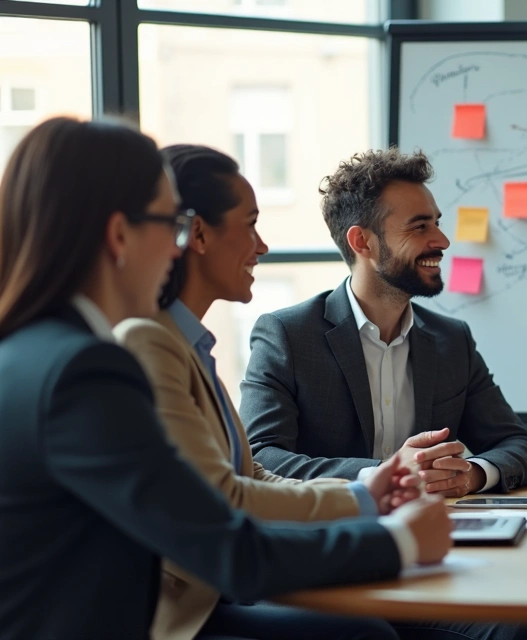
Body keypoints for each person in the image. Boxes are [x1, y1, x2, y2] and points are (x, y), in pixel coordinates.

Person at [0, 117, 451, 640]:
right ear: (120, 234)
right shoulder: (85, 372)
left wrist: (367, 501)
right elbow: (227, 548)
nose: (176, 250)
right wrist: (399, 543)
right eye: (169, 226)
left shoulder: (30, 352)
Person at [114, 145, 431, 640]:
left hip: (219, 594)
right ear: (198, 233)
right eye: (250, 224)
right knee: (365, 635)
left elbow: (251, 472)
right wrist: (370, 512)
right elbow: (227, 496)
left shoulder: (188, 344)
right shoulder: (151, 341)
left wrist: (363, 492)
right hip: (181, 617)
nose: (261, 246)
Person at [240, 148, 527, 499]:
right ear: (362, 242)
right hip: (331, 535)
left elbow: (520, 446)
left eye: (437, 223)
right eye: (419, 227)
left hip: (437, 536)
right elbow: (258, 457)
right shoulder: (287, 336)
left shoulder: (452, 341)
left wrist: (469, 475)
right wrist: (382, 475)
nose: (442, 241)